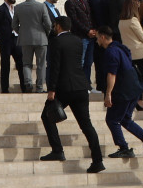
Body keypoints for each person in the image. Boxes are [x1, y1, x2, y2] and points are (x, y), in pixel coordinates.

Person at [42, 16, 105, 173]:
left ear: (58, 26)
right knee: (86, 125)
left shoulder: (56, 41)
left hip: (64, 88)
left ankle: (57, 150)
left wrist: (51, 89)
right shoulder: (77, 41)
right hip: (80, 87)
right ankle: (98, 160)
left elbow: (54, 67)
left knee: (47, 116)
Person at [97, 27, 143, 160]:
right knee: (125, 119)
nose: (97, 41)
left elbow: (112, 74)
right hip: (134, 89)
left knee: (112, 120)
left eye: (97, 37)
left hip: (123, 91)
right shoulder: (121, 48)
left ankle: (124, 148)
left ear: (102, 37)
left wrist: (108, 94)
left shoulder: (110, 52)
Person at [14, 0, 53, 93]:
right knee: (41, 64)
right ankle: (40, 87)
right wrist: (46, 33)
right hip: (41, 38)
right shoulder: (41, 6)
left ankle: (28, 83)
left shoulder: (18, 7)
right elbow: (48, 24)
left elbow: (14, 25)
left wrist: (21, 33)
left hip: (25, 39)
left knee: (26, 63)